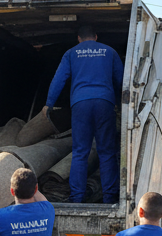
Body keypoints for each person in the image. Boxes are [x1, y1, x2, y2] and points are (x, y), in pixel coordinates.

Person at [43, 24, 123, 205]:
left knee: (80, 152)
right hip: (104, 102)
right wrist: (120, 103)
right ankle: (109, 198)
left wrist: (49, 104)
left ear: (78, 39)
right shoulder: (109, 51)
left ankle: (77, 198)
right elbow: (120, 79)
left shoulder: (71, 53)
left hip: (80, 104)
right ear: (95, 37)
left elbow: (59, 79)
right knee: (107, 152)